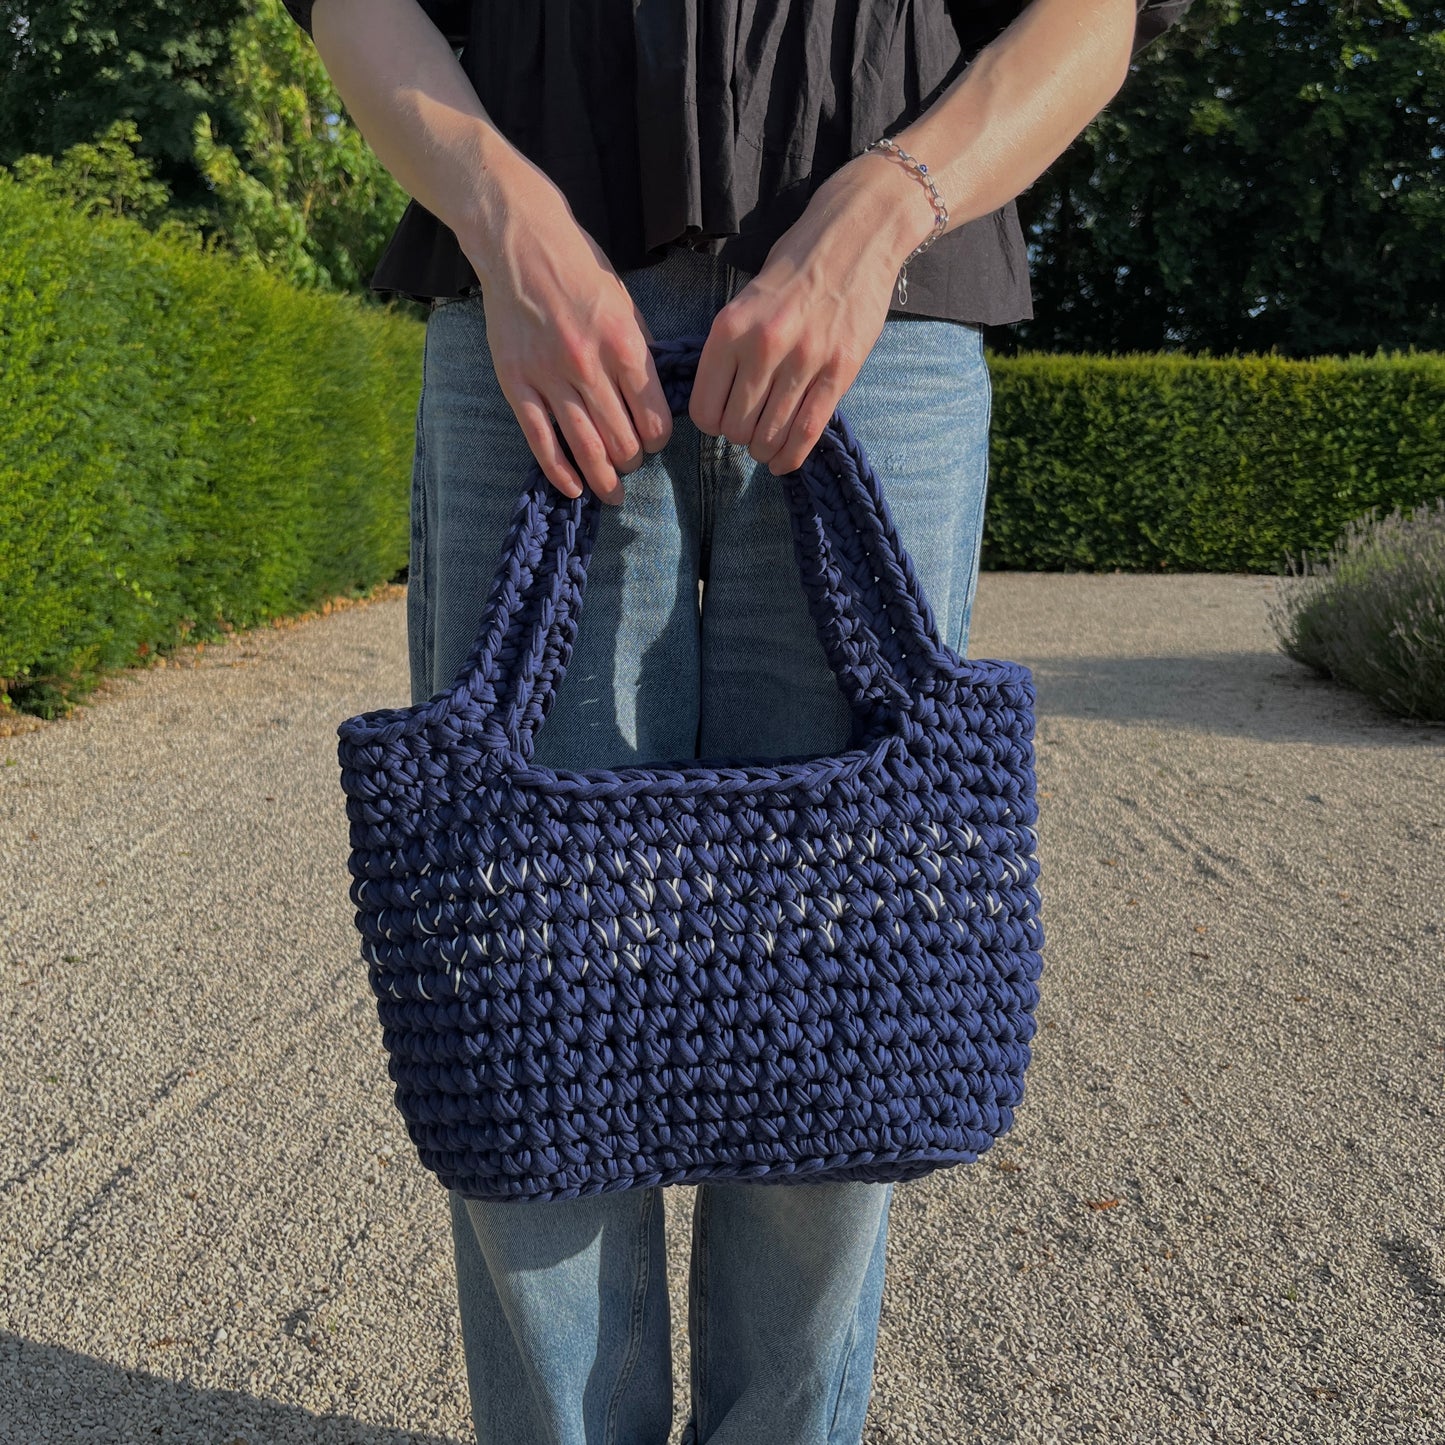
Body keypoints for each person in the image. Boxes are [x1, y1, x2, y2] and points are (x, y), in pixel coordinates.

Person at [280, 1, 1194, 1440]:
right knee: (528, 1016)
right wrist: (499, 209)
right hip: (535, 304)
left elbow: (1091, 15)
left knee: (855, 1011)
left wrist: (886, 205)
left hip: (876, 313)